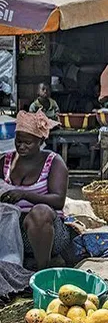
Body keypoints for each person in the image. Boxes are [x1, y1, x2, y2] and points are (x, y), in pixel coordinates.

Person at [0, 111, 70, 270]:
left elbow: (58, 201)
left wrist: (25, 195)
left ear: (40, 141)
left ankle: (42, 270)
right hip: (12, 232)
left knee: (40, 212)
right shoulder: (6, 161)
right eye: (18, 141)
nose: (21, 146)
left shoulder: (53, 162)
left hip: (47, 232)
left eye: (27, 143)